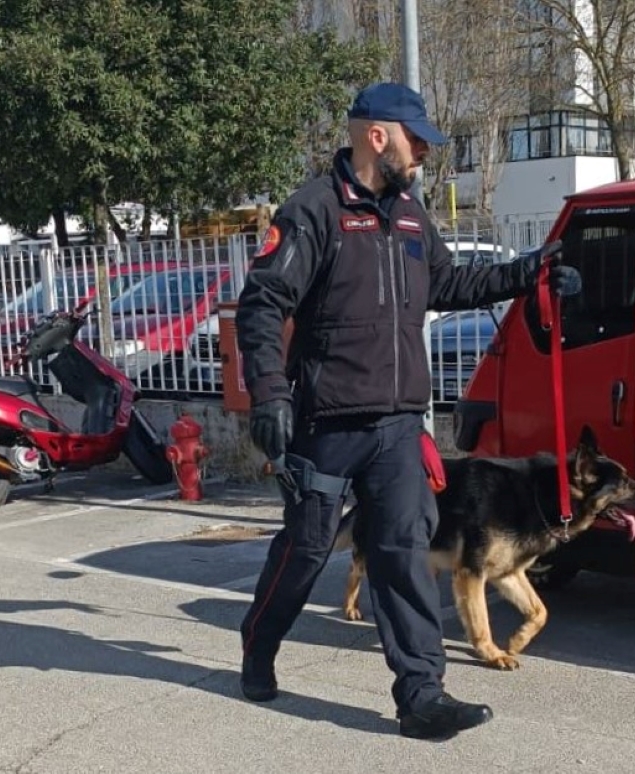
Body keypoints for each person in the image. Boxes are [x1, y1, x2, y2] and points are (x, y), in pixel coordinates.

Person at [233, 81, 581, 741]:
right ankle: (259, 642)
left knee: (402, 553)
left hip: (398, 427)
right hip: (326, 422)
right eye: (415, 139)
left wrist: (529, 271)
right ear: (376, 135)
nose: (423, 152)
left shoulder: (413, 215)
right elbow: (263, 305)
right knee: (307, 549)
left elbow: (450, 283)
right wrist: (271, 393)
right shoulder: (314, 211)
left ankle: (422, 697)